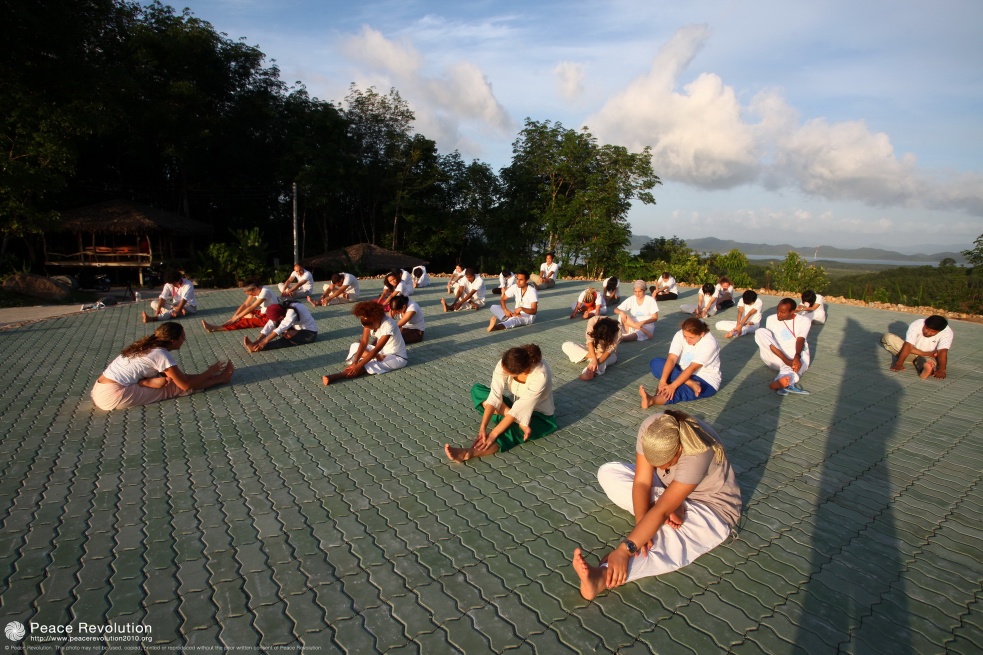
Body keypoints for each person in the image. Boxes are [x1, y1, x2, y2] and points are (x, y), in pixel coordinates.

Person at [571, 410, 740, 600]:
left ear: (678, 451)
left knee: (666, 545)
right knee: (609, 472)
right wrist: (642, 528)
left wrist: (625, 550)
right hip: (668, 489)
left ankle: (601, 577)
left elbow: (661, 510)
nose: (660, 468)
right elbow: (642, 483)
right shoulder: (653, 428)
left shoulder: (698, 452)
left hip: (709, 508)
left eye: (665, 464)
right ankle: (673, 502)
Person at [444, 344, 556, 462]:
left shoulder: (540, 376)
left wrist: (492, 435)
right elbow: (494, 396)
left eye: (507, 373)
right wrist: (483, 427)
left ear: (521, 371)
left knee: (511, 432)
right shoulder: (506, 362)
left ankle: (469, 453)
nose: (502, 371)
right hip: (512, 408)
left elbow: (518, 410)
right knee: (478, 390)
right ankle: (519, 423)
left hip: (539, 417)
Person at [91, 322, 233, 411]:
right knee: (173, 387)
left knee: (173, 378)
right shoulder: (160, 354)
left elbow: (179, 377)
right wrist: (209, 372)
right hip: (112, 395)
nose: (184, 340)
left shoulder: (145, 345)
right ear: (173, 341)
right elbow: (185, 384)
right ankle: (220, 380)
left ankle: (144, 382)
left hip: (99, 389)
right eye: (182, 337)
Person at [322, 301, 407, 385]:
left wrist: (358, 366)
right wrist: (355, 362)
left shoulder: (389, 324)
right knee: (355, 346)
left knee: (368, 365)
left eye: (370, 327)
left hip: (396, 357)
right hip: (380, 353)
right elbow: (364, 342)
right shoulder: (368, 319)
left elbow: (377, 348)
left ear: (376, 320)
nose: (368, 328)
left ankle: (337, 376)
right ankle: (372, 358)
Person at [641, 318, 721, 406]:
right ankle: (689, 383)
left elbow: (692, 368)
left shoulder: (709, 343)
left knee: (677, 391)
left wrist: (673, 386)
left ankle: (651, 400)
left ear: (701, 334)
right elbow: (671, 358)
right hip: (681, 371)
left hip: (705, 380)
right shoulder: (680, 334)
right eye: (685, 336)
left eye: (691, 337)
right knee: (656, 363)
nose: (687, 340)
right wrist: (663, 381)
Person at [754, 297, 812, 395]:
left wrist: (797, 356)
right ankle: (786, 368)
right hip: (775, 357)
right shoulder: (771, 319)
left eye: (783, 312)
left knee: (793, 368)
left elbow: (800, 339)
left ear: (792, 312)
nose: (778, 314)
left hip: (795, 358)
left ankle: (781, 384)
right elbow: (770, 342)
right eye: (778, 310)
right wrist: (787, 360)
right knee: (760, 331)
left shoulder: (804, 321)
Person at [881, 314, 952, 380]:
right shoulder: (917, 324)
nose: (928, 332)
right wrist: (899, 363)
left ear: (940, 331)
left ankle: (926, 371)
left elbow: (942, 351)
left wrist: (942, 370)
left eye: (933, 331)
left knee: (928, 363)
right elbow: (908, 345)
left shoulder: (947, 332)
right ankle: (923, 363)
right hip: (909, 353)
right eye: (927, 328)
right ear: (925, 323)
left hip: (929, 356)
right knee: (887, 337)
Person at [562, 316, 622, 381]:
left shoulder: (618, 329)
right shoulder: (593, 321)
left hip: (606, 354)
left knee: (602, 362)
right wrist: (594, 358)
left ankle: (588, 371)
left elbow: (609, 350)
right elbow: (590, 342)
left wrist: (596, 362)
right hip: (590, 350)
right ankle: (592, 359)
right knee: (566, 345)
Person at [243, 302, 319, 352]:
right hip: (296, 328)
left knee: (284, 341)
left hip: (309, 333)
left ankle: (256, 348)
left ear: (281, 314)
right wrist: (259, 340)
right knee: (280, 328)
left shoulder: (291, 311)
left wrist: (264, 342)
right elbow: (270, 324)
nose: (280, 320)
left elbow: (281, 327)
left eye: (280, 318)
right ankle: (255, 345)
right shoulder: (281, 308)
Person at [202, 284, 277, 332]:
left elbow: (251, 307)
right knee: (243, 314)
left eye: (251, 293)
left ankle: (215, 328)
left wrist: (236, 318)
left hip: (270, 316)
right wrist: (234, 317)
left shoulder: (265, 292)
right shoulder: (256, 290)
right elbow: (245, 304)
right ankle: (251, 316)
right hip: (262, 312)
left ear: (253, 289)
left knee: (245, 322)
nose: (251, 295)